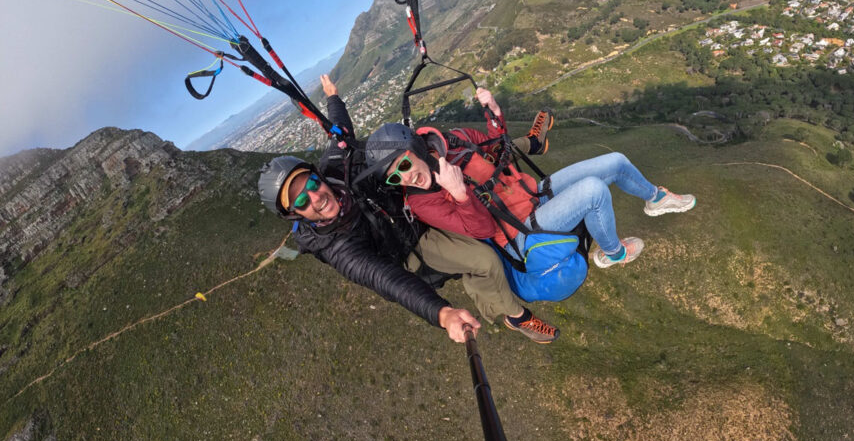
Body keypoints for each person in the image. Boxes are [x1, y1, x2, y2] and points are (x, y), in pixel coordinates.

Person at [257, 76, 560, 344]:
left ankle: (529, 144)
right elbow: (385, 279)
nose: (314, 197)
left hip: (415, 190)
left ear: (316, 175)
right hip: (414, 242)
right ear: (295, 214)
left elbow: (340, 134)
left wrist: (333, 96)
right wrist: (441, 313)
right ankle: (515, 315)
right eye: (300, 202)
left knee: (462, 152)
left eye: (310, 183)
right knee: (485, 259)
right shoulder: (339, 249)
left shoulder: (334, 168)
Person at [362, 87, 696, 269]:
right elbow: (480, 231)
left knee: (615, 160)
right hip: (517, 231)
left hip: (531, 193)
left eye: (403, 166)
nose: (405, 179)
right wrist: (460, 194)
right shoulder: (424, 202)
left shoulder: (455, 140)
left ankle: (655, 198)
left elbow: (498, 150)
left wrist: (493, 115)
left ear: (415, 148)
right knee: (594, 191)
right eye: (394, 179)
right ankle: (612, 252)